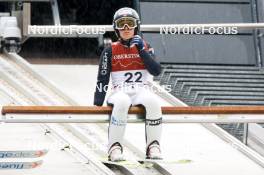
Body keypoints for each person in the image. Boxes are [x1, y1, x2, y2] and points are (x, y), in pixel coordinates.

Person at [94, 7, 162, 162]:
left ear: (136, 26)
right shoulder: (110, 50)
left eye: (129, 23)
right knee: (123, 101)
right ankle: (115, 147)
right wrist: (97, 103)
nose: (126, 28)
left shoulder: (145, 45)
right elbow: (102, 78)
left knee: (153, 102)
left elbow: (156, 70)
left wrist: (141, 51)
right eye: (121, 24)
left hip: (140, 91)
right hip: (120, 92)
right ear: (116, 28)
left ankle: (153, 146)